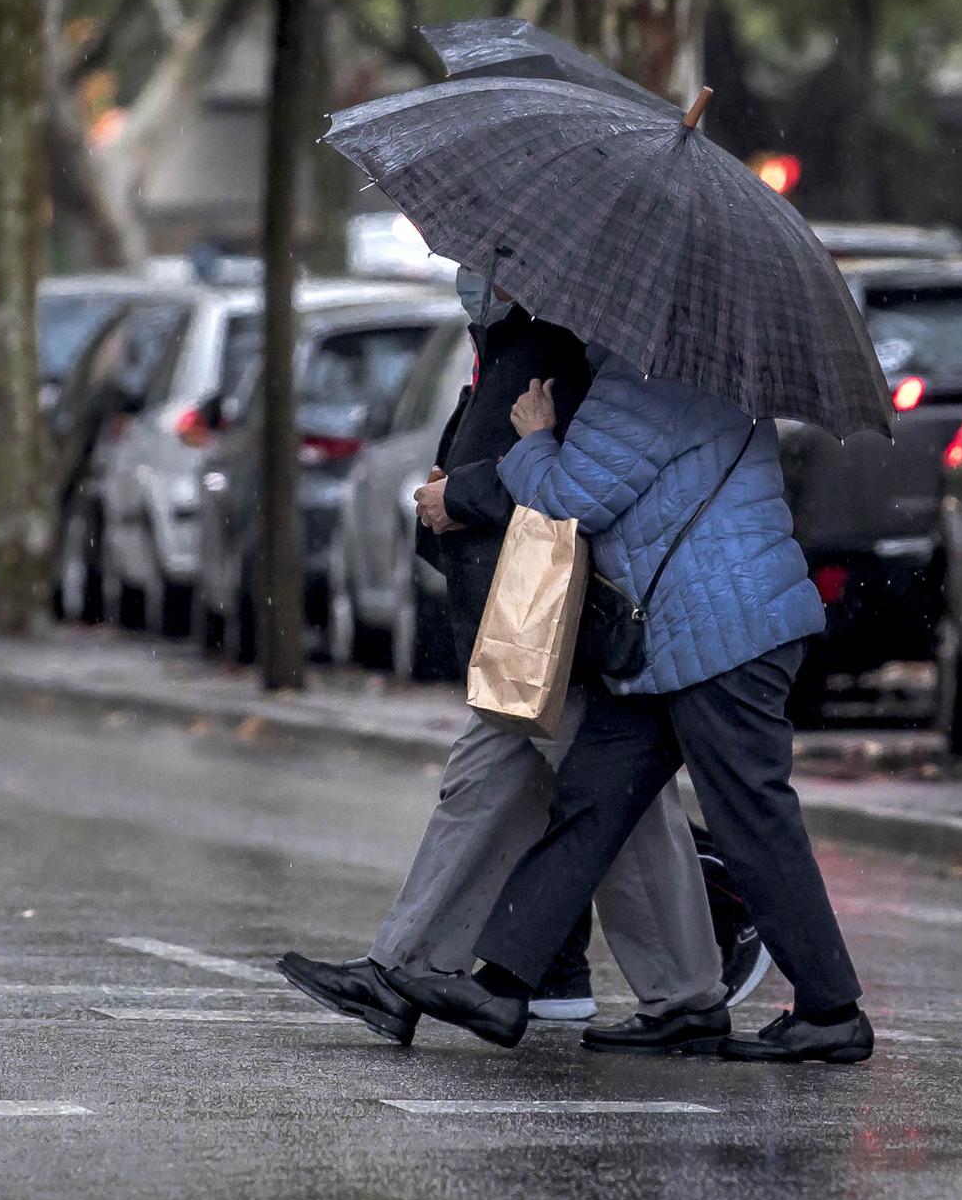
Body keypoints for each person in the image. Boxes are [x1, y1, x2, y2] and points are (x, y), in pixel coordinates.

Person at [276, 270, 766, 1053]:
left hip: (555, 612)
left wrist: (459, 494)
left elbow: (575, 477)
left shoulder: (556, 340)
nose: (471, 273)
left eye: (485, 257)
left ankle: (687, 993)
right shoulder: (511, 339)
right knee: (484, 788)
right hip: (522, 610)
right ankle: (400, 970)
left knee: (616, 807)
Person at [382, 346, 874, 1064]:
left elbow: (570, 497)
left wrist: (535, 436)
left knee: (752, 817)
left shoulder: (646, 379)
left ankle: (832, 1009)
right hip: (677, 633)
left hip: (725, 631)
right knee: (593, 795)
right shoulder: (710, 367)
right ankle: (502, 982)